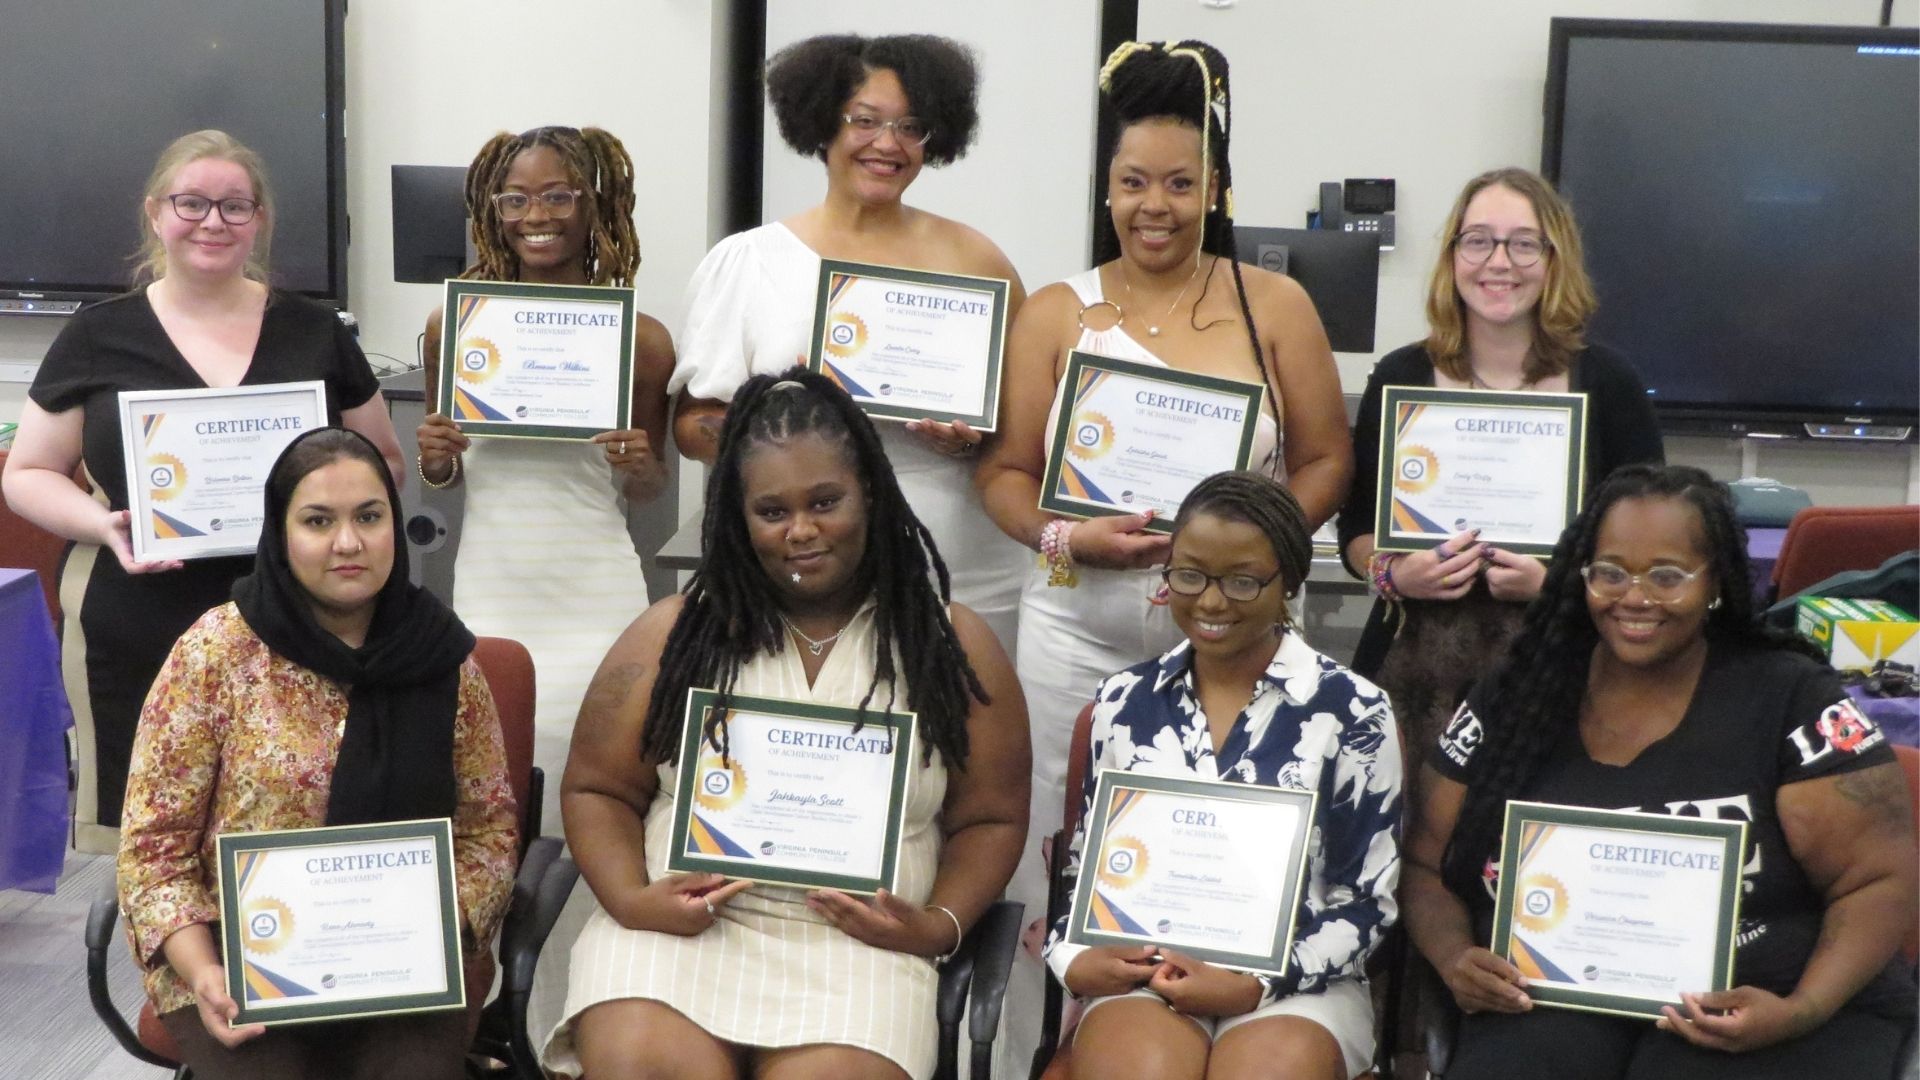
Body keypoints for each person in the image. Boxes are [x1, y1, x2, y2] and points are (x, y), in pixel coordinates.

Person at [976, 41, 1352, 1068]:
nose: (1157, 206)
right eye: (1135, 183)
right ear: (1106, 190)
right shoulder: (1056, 312)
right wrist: (1067, 535)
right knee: (1058, 852)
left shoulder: (1273, 306)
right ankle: (1048, 1050)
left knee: (1232, 847)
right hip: (1076, 631)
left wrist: (1246, 551)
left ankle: (1223, 1028)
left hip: (1242, 636)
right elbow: (1004, 474)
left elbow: (1328, 458)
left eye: (1181, 184)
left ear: (1215, 189)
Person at [541, 370, 1030, 1080]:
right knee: (644, 1064)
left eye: (825, 502)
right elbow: (597, 789)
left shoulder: (949, 644)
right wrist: (631, 901)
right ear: (738, 518)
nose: (801, 530)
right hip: (679, 933)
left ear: (871, 493)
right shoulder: (674, 633)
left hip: (859, 948)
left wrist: (937, 924)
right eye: (771, 511)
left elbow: (991, 818)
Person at [1401, 464, 1917, 1080]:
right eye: (1610, 573)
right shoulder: (1515, 697)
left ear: (1716, 580)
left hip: (1771, 998)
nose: (1635, 597)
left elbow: (1878, 879)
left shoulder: (1791, 699)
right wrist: (1455, 957)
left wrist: (1802, 1009)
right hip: (1554, 999)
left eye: (1667, 576)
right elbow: (1425, 864)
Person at [1, 130, 404, 853]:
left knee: (296, 816)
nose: (212, 221)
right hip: (137, 613)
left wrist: (329, 512)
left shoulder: (315, 331)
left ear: (260, 220)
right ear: (155, 213)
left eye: (234, 205)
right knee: (151, 835)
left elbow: (386, 465)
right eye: (191, 203)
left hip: (300, 616)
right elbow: (27, 474)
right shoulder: (98, 334)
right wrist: (103, 524)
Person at [117, 427, 519, 1080]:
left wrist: (422, 926)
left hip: (406, 963)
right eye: (317, 521)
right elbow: (154, 849)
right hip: (237, 960)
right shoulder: (215, 656)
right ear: (280, 534)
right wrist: (205, 971)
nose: (348, 542)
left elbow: (489, 831)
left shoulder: (443, 658)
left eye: (369, 516)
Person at [671, 33, 1031, 652]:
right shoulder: (750, 261)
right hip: (798, 566)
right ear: (822, 123)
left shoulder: (978, 262)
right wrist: (782, 424)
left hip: (960, 568)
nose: (888, 144)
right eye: (865, 121)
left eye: (911, 127)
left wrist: (974, 440)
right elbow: (691, 425)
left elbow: (1023, 434)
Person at [1043, 472, 1400, 1080]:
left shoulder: (1354, 710)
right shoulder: (1123, 701)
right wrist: (1072, 956)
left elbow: (1366, 900)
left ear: (1289, 582)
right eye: (1190, 575)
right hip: (1147, 973)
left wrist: (1257, 983)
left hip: (1300, 983)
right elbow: (1081, 871)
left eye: (1242, 581)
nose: (1210, 602)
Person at [1335, 167, 1663, 777]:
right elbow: (1354, 528)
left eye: (1523, 243)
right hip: (1415, 672)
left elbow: (1649, 546)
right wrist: (1396, 573)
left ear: (1554, 258)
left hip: (1564, 670)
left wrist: (1557, 585)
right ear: (1453, 255)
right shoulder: (1401, 377)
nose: (1499, 262)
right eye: (1478, 240)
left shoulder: (1610, 384)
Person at [414, 125, 675, 833]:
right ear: (493, 210)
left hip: (596, 595)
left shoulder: (643, 340)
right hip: (494, 588)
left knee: (603, 785)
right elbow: (445, 475)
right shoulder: (456, 328)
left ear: (596, 205)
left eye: (559, 196)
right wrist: (435, 457)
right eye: (516, 199)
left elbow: (649, 489)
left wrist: (640, 464)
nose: (537, 216)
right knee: (491, 791)